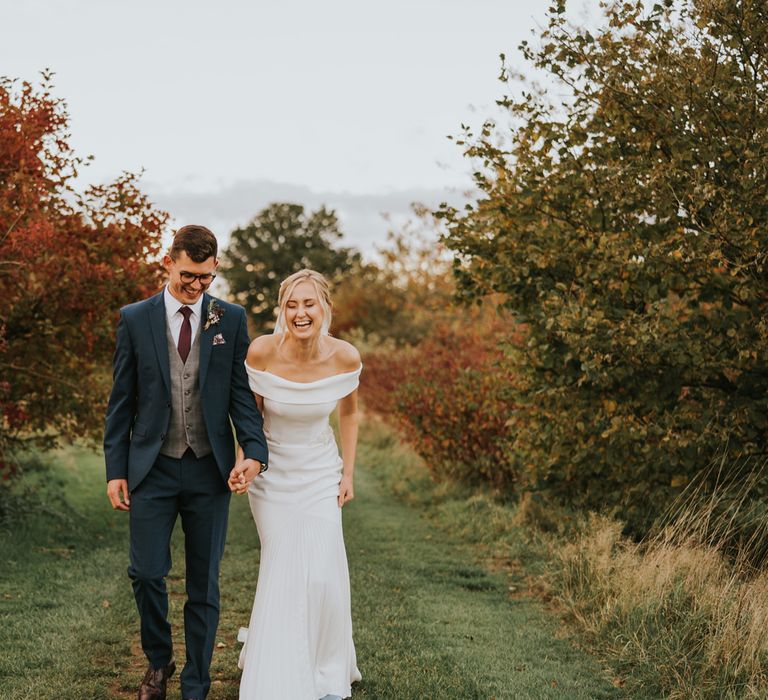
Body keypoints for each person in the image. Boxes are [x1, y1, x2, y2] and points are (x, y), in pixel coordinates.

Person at [103, 225, 269, 700]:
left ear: (215, 268)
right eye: (188, 276)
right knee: (146, 573)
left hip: (208, 469)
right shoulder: (135, 318)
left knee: (205, 581)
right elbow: (121, 401)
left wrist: (254, 452)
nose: (197, 287)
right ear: (167, 262)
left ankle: (197, 680)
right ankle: (159, 662)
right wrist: (117, 468)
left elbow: (241, 397)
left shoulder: (230, 319)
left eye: (206, 278)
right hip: (151, 467)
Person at [230, 269, 362, 700]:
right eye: (292, 305)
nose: (300, 313)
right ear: (281, 310)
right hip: (273, 474)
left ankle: (325, 671)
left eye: (308, 304)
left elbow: (349, 413)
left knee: (323, 574)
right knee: (285, 568)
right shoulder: (262, 352)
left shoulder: (345, 357)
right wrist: (243, 462)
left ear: (324, 307)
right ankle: (279, 670)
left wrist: (347, 472)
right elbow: (249, 417)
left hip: (321, 472)